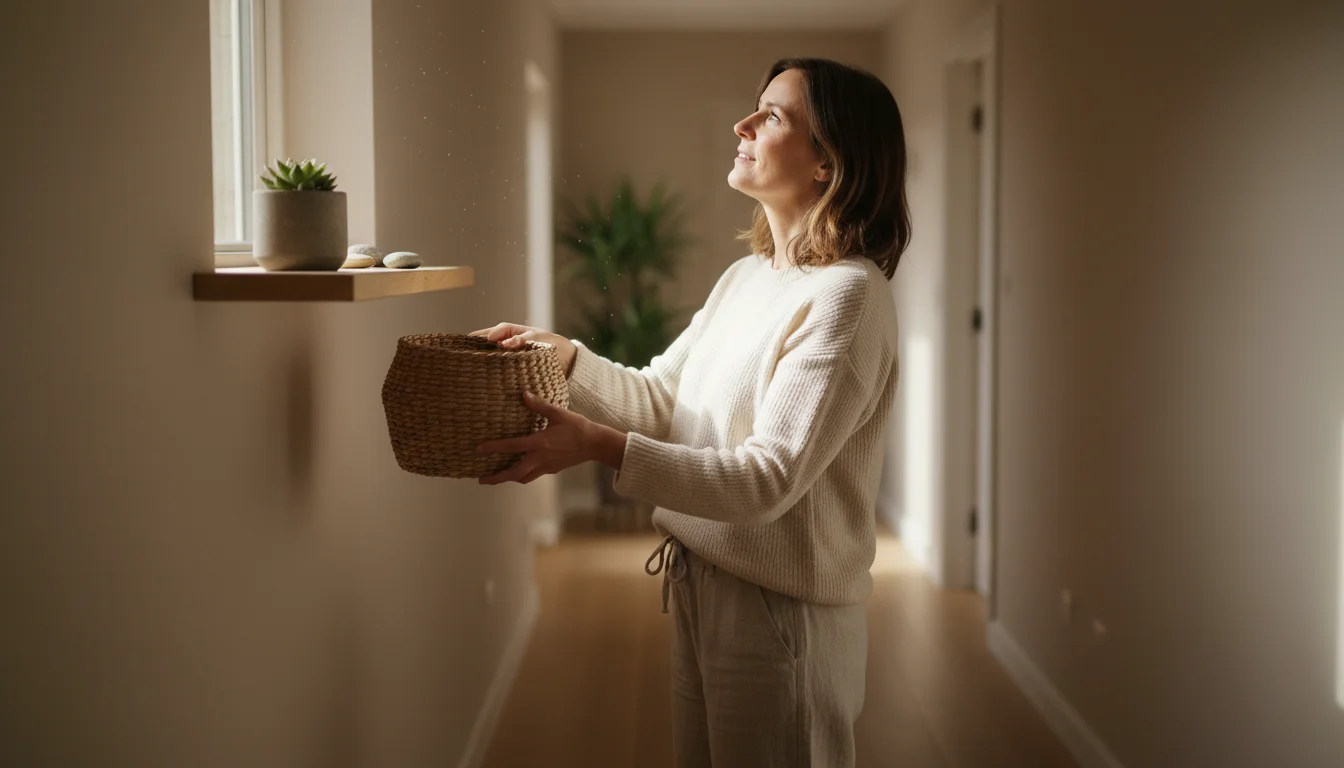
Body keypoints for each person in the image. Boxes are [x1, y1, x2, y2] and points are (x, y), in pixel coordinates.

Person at [471, 57, 910, 768]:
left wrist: (601, 448)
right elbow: (660, 398)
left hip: (781, 616)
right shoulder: (747, 278)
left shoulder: (847, 299)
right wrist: (565, 357)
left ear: (827, 162)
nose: (742, 124)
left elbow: (767, 480)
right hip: (702, 582)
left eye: (771, 115)